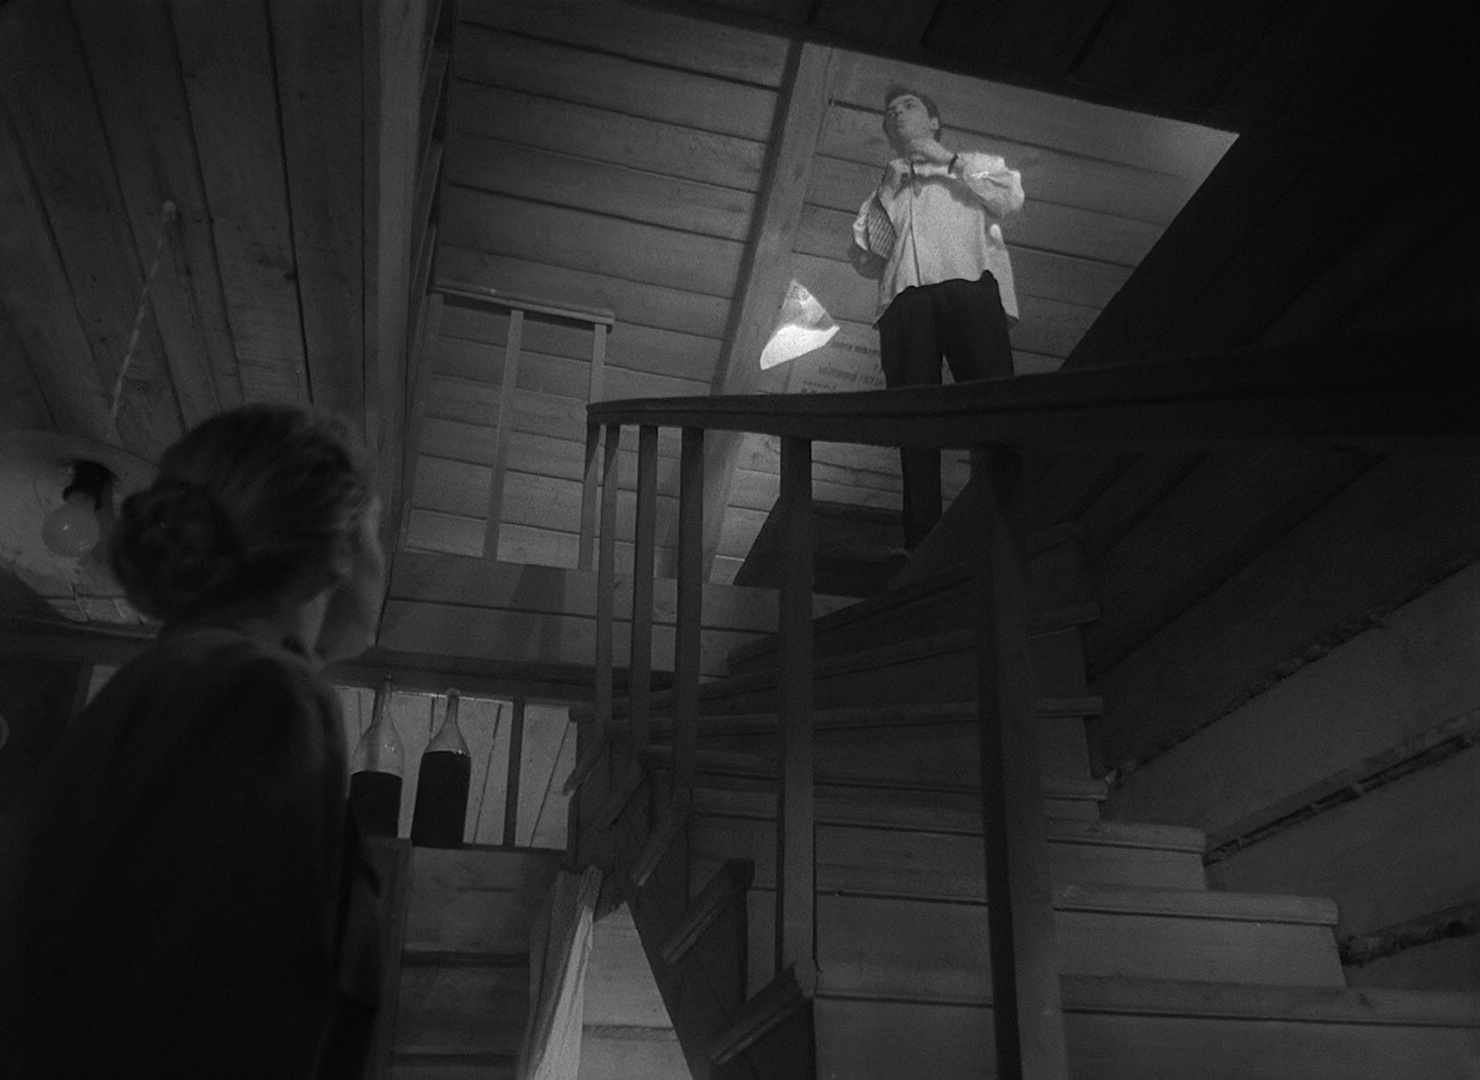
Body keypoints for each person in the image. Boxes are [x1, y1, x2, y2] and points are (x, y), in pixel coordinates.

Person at [0, 405, 388, 1079]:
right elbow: (208, 1014)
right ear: (339, 551)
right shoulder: (259, 692)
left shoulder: (187, 678)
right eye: (377, 528)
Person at [851, 84, 1025, 550]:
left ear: (933, 121)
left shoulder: (974, 164)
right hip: (905, 301)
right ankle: (921, 544)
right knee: (913, 422)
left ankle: (1006, 529)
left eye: (907, 106)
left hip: (970, 283)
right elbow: (868, 259)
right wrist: (887, 191)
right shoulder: (883, 193)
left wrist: (948, 162)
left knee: (993, 407)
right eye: (889, 112)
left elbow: (1010, 200)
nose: (896, 114)